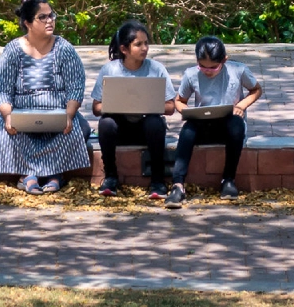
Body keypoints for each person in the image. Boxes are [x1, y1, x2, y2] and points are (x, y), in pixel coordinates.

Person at [0, 0, 92, 195]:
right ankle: (29, 174)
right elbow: (3, 89)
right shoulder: (13, 50)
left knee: (76, 129)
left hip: (58, 115)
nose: (50, 20)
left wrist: (69, 115)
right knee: (1, 131)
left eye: (51, 15)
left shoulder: (64, 48)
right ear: (27, 23)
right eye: (42, 17)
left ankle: (52, 174)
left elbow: (76, 86)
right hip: (23, 117)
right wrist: (8, 116)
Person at [167, 36, 262, 206]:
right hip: (203, 124)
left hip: (229, 126)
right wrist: (186, 112)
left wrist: (241, 106)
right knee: (187, 131)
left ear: (224, 60)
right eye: (202, 67)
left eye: (213, 67)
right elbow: (179, 101)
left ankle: (228, 180)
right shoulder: (190, 74)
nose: (208, 71)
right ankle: (178, 185)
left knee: (237, 126)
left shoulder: (238, 70)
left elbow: (256, 90)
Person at [91, 20, 174, 201]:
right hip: (119, 128)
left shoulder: (156, 69)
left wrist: (147, 105)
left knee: (155, 123)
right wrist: (116, 105)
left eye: (146, 43)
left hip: (146, 129)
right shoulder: (110, 70)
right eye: (138, 44)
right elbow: (96, 108)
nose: (144, 48)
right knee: (105, 123)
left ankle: (158, 181)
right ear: (124, 49)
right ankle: (111, 178)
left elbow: (170, 107)